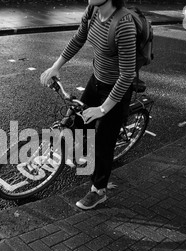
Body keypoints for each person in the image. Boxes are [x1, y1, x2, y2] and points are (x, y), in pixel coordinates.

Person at [40, 0, 136, 210]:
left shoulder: (124, 25)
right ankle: (84, 154)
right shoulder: (93, 10)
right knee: (78, 119)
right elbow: (78, 38)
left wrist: (103, 109)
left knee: (103, 144)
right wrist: (56, 66)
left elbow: (128, 75)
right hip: (97, 80)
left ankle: (98, 191)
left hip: (116, 89)